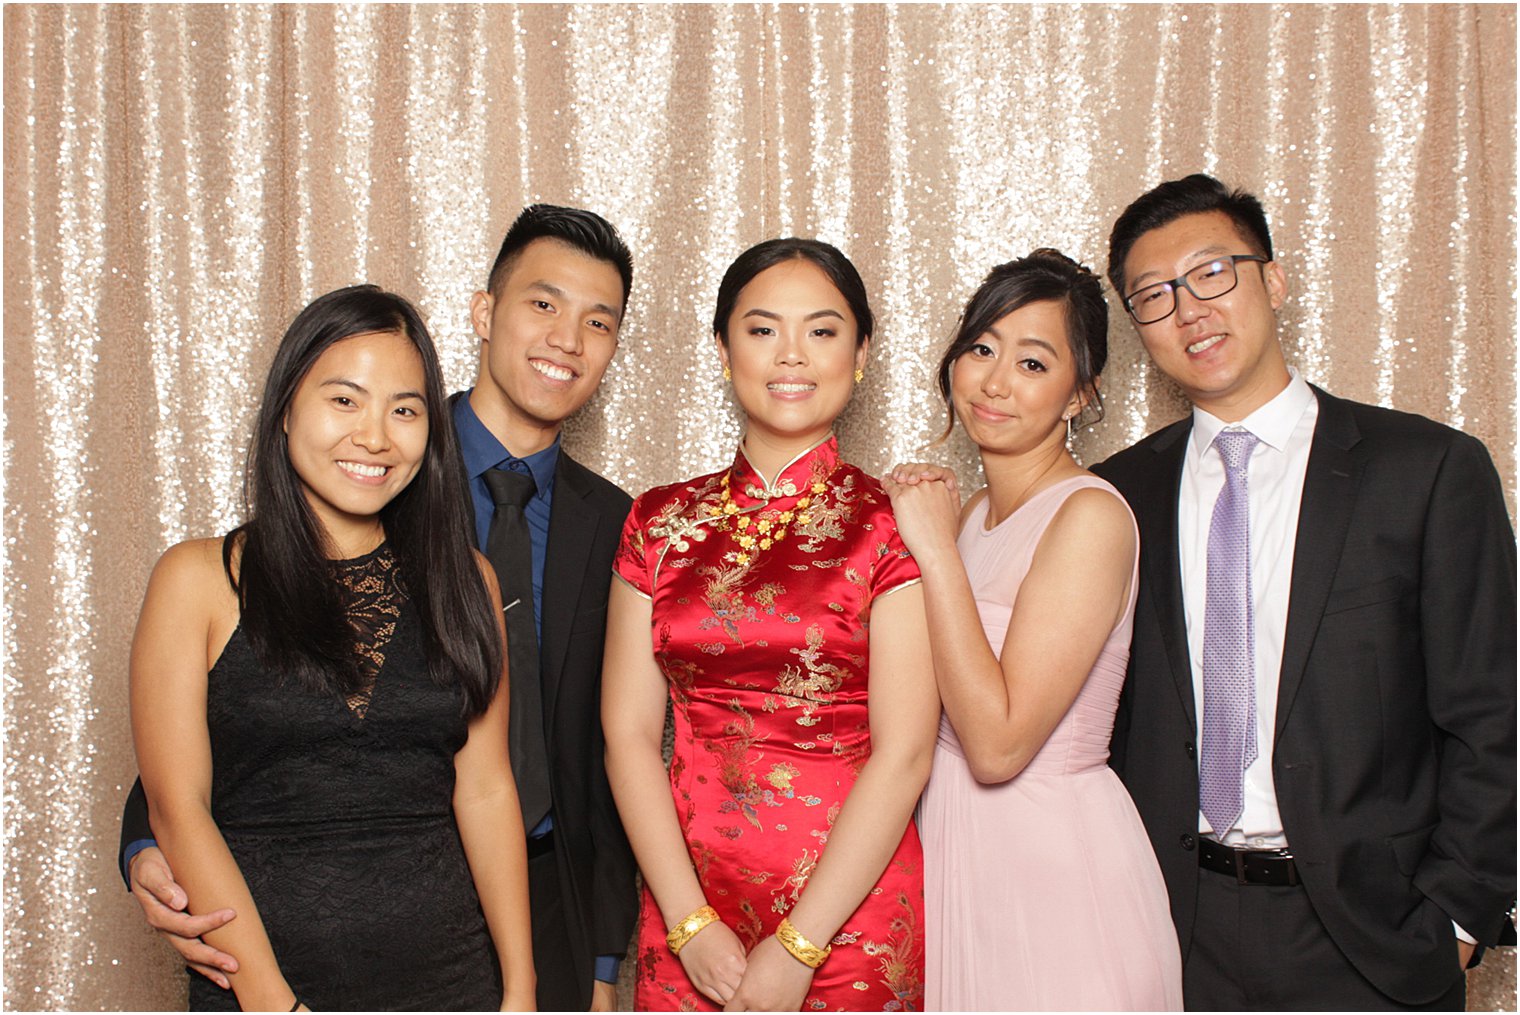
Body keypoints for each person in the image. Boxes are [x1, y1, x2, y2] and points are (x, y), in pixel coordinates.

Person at [120, 205, 641, 1011]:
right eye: (543, 303)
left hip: (508, 928)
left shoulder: (616, 524)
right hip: (272, 943)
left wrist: (558, 974)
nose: (566, 339)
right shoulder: (206, 574)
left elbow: (551, 767)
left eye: (403, 409)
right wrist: (150, 846)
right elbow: (204, 762)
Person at [1091, 173, 1516, 1009]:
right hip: (1170, 925)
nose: (1190, 309)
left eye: (1214, 272)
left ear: (1274, 279)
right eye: (1154, 295)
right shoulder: (1115, 496)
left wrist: (1459, 919)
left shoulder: (1425, 470)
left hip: (1371, 933)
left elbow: (1496, 706)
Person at [601, 238, 937, 1011]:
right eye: (761, 329)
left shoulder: (890, 522)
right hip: (691, 909)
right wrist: (689, 923)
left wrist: (800, 945)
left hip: (851, 918)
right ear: (723, 349)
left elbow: (907, 751)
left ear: (861, 352)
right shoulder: (658, 521)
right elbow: (626, 734)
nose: (792, 355)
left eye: (822, 330)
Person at [883, 249, 1183, 1010]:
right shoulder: (974, 514)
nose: (995, 380)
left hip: (1057, 873)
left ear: (1080, 393)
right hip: (959, 861)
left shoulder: (1090, 516)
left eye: (1033, 361)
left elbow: (998, 743)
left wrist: (933, 550)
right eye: (981, 348)